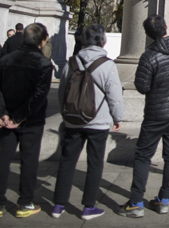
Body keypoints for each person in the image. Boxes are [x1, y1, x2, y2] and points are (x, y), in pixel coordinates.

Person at [117, 6, 169, 218]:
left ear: (146, 34)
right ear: (166, 27)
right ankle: (163, 200)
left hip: (155, 114)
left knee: (143, 156)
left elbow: (142, 87)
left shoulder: (148, 56)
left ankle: (135, 203)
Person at [52, 24, 124, 221]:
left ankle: (58, 204)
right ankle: (88, 207)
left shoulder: (71, 62)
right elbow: (115, 95)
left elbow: (62, 93)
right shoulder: (107, 64)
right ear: (103, 41)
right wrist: (118, 117)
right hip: (98, 121)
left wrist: (65, 114)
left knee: (67, 161)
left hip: (73, 120)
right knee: (94, 163)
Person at [0, 23, 53, 219]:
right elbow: (39, 95)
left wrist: (2, 113)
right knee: (29, 160)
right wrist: (18, 117)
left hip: (6, 118)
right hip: (30, 119)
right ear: (42, 41)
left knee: (1, 158)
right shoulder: (43, 64)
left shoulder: (6, 59)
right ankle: (25, 202)